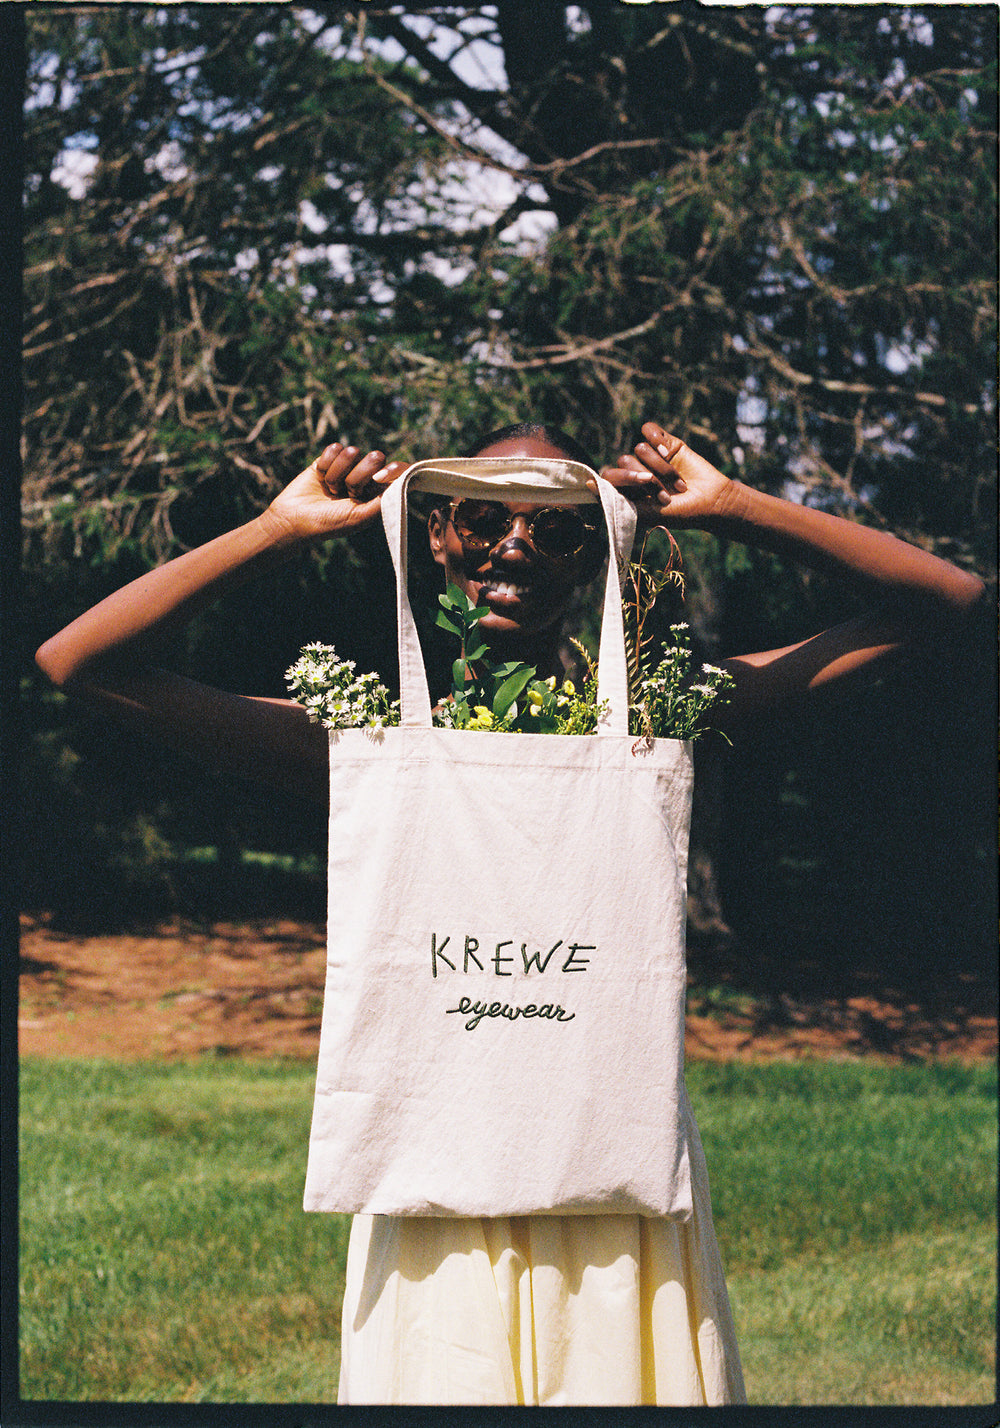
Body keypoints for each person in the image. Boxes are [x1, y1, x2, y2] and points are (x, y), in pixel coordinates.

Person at [35, 420, 984, 1406]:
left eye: (559, 528)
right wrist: (280, 527)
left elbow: (942, 603)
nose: (516, 547)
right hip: (435, 1151)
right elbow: (79, 662)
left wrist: (731, 507)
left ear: (597, 550)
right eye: (482, 517)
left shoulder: (653, 721)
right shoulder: (372, 746)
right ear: (435, 533)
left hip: (609, 1157)